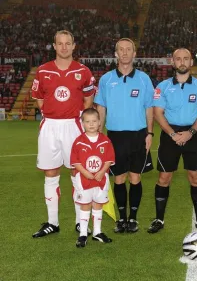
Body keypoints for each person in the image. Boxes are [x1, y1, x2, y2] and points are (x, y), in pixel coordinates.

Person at [31, 30, 95, 238]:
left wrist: (78, 119)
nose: (64, 47)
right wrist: (52, 114)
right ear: (54, 46)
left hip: (73, 125)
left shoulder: (83, 71)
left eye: (68, 43)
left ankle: (80, 222)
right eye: (60, 43)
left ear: (74, 46)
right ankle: (52, 222)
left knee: (77, 174)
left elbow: (88, 100)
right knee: (50, 174)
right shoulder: (42, 71)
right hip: (50, 125)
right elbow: (39, 99)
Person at [147, 48, 197, 234]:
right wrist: (173, 134)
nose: (182, 62)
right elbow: (158, 113)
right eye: (178, 59)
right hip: (170, 134)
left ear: (191, 62)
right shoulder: (162, 87)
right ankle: (159, 219)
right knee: (164, 178)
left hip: (193, 134)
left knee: (195, 178)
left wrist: (190, 133)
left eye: (186, 59)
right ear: (173, 62)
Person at [94, 38, 154, 233]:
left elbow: (149, 108)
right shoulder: (106, 79)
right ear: (116, 54)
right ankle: (121, 219)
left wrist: (150, 133)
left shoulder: (144, 79)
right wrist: (99, 135)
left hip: (138, 135)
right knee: (119, 178)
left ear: (134, 53)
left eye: (129, 49)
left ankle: (133, 218)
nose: (125, 53)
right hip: (115, 136)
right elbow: (101, 108)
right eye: (122, 49)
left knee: (135, 177)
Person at [71, 108, 115, 247]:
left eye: (94, 121)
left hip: (101, 179)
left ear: (100, 122)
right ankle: (83, 234)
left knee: (98, 203)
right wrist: (85, 173)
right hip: (84, 180)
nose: (91, 124)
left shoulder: (105, 141)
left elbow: (109, 159)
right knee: (85, 204)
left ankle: (97, 232)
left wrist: (102, 172)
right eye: (88, 121)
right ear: (82, 123)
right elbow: (75, 162)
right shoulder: (78, 142)